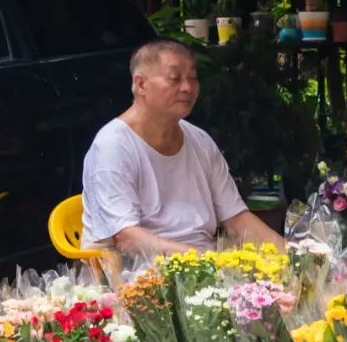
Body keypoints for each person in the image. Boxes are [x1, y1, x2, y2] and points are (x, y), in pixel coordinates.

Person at [82, 38, 283, 255]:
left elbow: (236, 219)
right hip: (139, 274)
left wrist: (295, 257)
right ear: (141, 84)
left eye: (193, 78)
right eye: (174, 78)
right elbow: (126, 238)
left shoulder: (200, 141)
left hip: (205, 271)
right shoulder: (112, 146)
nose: (187, 87)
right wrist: (205, 261)